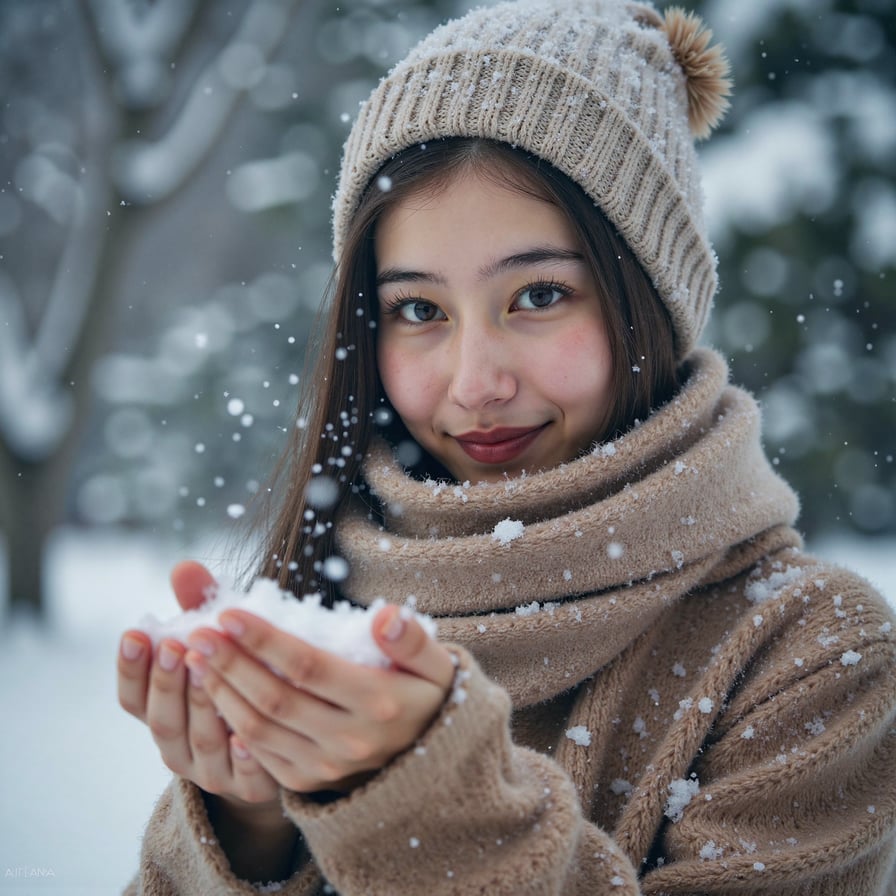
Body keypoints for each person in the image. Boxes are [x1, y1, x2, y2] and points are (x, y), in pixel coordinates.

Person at [117, 1, 896, 893]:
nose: (473, 382)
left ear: (646, 299)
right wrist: (243, 829)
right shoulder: (318, 612)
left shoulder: (809, 653)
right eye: (419, 310)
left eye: (537, 297)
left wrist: (429, 803)